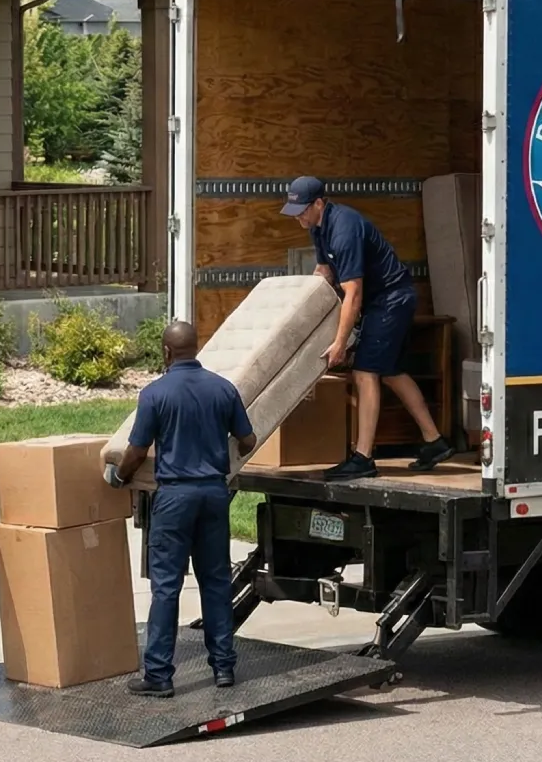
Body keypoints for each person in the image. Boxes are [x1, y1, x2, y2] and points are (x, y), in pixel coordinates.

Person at [106, 321, 257, 698]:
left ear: (166, 352)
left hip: (174, 497)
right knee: (216, 582)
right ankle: (223, 668)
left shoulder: (155, 394)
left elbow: (137, 450)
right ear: (196, 348)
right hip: (213, 494)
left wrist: (120, 477)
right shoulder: (224, 389)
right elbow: (249, 439)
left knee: (167, 587)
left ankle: (159, 675)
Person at [280, 175, 455, 480]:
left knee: (364, 372)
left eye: (302, 211)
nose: (298, 218)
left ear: (319, 203)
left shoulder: (344, 230)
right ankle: (435, 441)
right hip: (382, 300)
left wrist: (339, 342)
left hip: (390, 300)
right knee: (391, 372)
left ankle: (363, 458)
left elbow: (354, 294)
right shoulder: (318, 227)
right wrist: (303, 307)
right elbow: (324, 272)